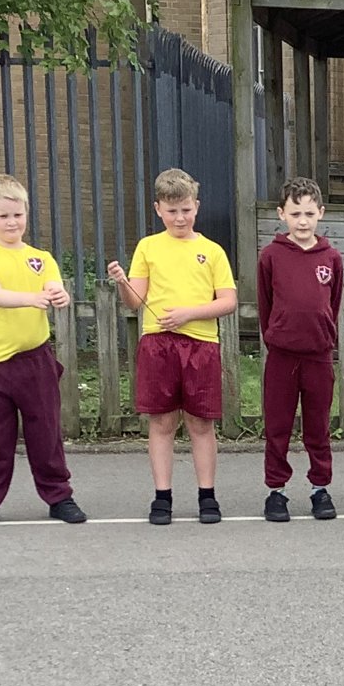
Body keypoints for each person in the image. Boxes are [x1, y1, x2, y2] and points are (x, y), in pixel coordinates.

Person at [106, 168, 237, 525]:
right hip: (158, 344)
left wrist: (188, 314)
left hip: (200, 344)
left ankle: (207, 496)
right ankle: (162, 496)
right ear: (158, 209)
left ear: (197, 206)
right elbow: (135, 301)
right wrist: (121, 282)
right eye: (171, 210)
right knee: (162, 422)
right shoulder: (148, 247)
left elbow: (227, 301)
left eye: (186, 209)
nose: (179, 217)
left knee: (201, 423)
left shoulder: (211, 251)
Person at [0, 173, 87, 530]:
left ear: (26, 214)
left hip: (36, 360)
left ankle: (59, 496)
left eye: (18, 215)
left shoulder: (41, 257)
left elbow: (53, 286)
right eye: (3, 216)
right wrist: (33, 299)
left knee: (46, 433)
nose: (12, 222)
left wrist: (58, 295)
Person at [257, 177, 343, 522]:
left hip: (318, 356)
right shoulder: (271, 256)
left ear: (321, 213)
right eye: (295, 213)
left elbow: (332, 304)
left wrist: (322, 335)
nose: (303, 221)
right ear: (282, 214)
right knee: (278, 426)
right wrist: (275, 335)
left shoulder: (331, 258)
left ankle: (320, 488)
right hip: (281, 356)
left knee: (317, 427)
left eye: (309, 213)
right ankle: (276, 490)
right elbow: (265, 303)